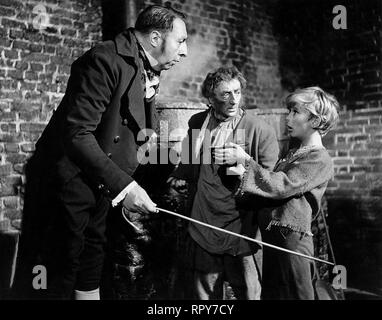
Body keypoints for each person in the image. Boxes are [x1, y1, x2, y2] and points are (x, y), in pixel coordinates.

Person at [12, 4, 188, 300]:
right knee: (56, 269)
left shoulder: (146, 67)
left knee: (92, 260)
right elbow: (77, 134)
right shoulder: (104, 59)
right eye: (181, 41)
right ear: (156, 38)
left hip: (98, 181)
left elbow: (132, 128)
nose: (184, 52)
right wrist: (127, 186)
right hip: (66, 182)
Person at [217, 86, 339, 299]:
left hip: (292, 242)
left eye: (295, 112)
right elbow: (269, 190)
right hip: (274, 240)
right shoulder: (294, 153)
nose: (288, 118)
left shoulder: (319, 159)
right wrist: (239, 174)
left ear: (316, 121)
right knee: (275, 294)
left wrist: (246, 162)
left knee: (296, 294)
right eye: (288, 112)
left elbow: (282, 186)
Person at [168, 66, 279, 300]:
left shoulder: (259, 130)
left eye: (237, 92)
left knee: (248, 291)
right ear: (210, 98)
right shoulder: (198, 121)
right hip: (204, 219)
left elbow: (273, 183)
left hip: (242, 224)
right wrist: (180, 174)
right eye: (225, 94)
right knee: (205, 292)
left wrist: (244, 165)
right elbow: (189, 155)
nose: (233, 100)